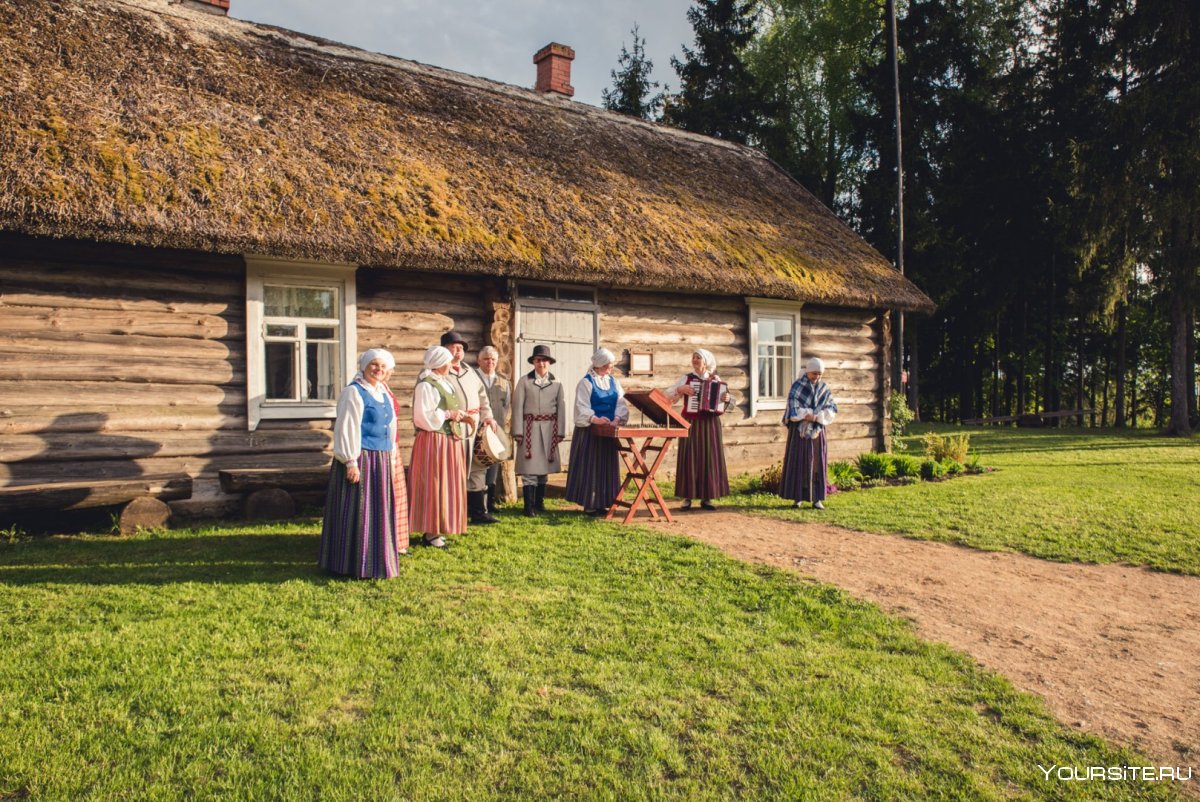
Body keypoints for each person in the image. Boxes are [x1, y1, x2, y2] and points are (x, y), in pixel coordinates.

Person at [319, 348, 401, 579]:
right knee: (358, 510)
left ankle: (377, 560)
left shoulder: (383, 393)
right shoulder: (354, 392)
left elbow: (391, 427)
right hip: (361, 457)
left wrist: (391, 456)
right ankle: (350, 563)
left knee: (378, 511)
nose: (378, 370)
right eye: (374, 365)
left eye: (383, 367)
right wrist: (350, 461)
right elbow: (347, 427)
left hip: (381, 458)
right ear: (364, 365)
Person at [409, 345, 470, 548]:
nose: (451, 364)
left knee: (446, 484)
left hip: (448, 439)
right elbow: (423, 417)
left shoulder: (444, 383)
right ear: (439, 364)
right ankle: (430, 531)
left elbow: (447, 409)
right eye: (447, 361)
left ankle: (440, 526)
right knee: (434, 484)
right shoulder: (426, 385)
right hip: (434, 441)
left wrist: (459, 415)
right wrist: (447, 414)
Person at [438, 331, 497, 525]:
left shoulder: (468, 371)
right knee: (456, 469)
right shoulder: (438, 373)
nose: (459, 351)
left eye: (461, 348)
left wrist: (487, 417)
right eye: (454, 347)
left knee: (477, 468)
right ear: (443, 349)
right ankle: (455, 513)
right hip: (452, 428)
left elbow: (482, 397)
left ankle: (478, 512)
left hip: (474, 426)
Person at [664, 348, 731, 511]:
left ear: (706, 362)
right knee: (690, 457)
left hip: (710, 424)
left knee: (709, 458)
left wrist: (727, 398)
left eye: (698, 358)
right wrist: (680, 390)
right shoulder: (687, 378)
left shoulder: (716, 379)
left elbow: (725, 400)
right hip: (691, 422)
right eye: (693, 357)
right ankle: (687, 497)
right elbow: (667, 395)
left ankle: (707, 498)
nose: (694, 360)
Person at [565, 347, 629, 515]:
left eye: (612, 364)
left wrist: (616, 419)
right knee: (591, 466)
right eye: (609, 364)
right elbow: (582, 406)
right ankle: (590, 503)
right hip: (590, 432)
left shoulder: (614, 382)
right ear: (600, 364)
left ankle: (605, 501)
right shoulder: (586, 382)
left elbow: (621, 403)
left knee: (606, 466)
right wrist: (595, 419)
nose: (611, 367)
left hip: (608, 431)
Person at [511, 344, 566, 516]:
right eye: (538, 360)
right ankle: (528, 506)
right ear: (533, 362)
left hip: (550, 429)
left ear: (549, 363)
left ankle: (539, 504)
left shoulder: (557, 383)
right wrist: (518, 431)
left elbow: (561, 408)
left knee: (544, 469)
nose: (541, 364)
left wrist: (560, 431)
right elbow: (517, 407)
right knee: (530, 467)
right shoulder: (524, 381)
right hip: (530, 428)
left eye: (544, 360)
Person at [780, 357, 838, 510]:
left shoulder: (824, 388)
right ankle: (797, 498)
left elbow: (831, 408)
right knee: (799, 463)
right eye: (814, 373)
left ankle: (816, 498)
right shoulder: (797, 386)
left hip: (817, 432)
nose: (816, 377)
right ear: (807, 371)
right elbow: (793, 408)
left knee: (816, 464)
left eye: (819, 374)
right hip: (800, 432)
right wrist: (807, 414)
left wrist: (816, 416)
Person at [474, 346, 511, 516]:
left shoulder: (504, 381)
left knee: (493, 466)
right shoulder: (472, 378)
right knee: (477, 466)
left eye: (493, 359)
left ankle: (490, 503)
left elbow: (506, 405)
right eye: (486, 359)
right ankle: (476, 504)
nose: (490, 362)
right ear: (479, 360)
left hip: (496, 430)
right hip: (477, 431)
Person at [383, 365, 410, 556]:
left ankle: (397, 540)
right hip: (380, 449)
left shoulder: (385, 388)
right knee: (386, 494)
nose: (387, 372)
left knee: (397, 494)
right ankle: (385, 539)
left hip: (392, 447)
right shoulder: (367, 390)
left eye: (387, 368)